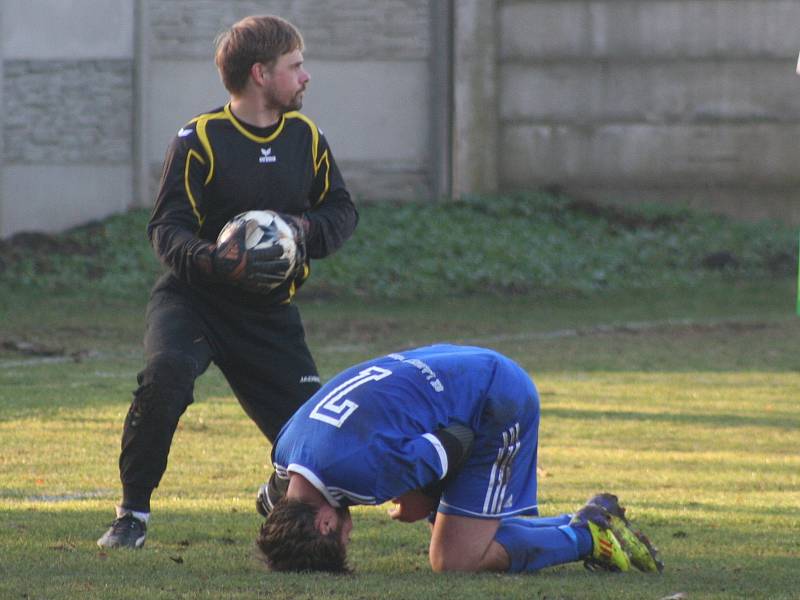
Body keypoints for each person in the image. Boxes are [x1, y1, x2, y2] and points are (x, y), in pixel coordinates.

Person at [98, 14, 357, 549]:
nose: (306, 76)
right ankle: (132, 516)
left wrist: (304, 230)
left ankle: (277, 486)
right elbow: (166, 228)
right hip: (194, 302)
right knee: (166, 377)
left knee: (322, 445)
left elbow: (341, 210)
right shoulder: (201, 139)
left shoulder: (307, 138)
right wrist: (216, 259)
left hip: (268, 313)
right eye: (296, 66)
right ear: (261, 73)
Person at [256, 344, 663, 574]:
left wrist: (421, 497)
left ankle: (590, 536)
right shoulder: (286, 452)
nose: (349, 534)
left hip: (494, 399)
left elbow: (457, 440)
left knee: (455, 560)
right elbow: (273, 501)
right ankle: (597, 517)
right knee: (491, 532)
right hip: (457, 363)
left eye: (342, 539)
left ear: (325, 522)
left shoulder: (364, 475)